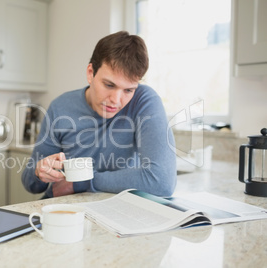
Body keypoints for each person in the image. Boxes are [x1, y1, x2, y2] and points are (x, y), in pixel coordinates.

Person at [22, 31, 176, 198]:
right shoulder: (60, 107)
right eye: (109, 85)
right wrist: (39, 172)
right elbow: (30, 184)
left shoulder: (144, 100)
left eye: (128, 90)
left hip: (115, 209)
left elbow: (162, 182)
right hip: (64, 207)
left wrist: (82, 183)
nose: (116, 100)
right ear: (90, 73)